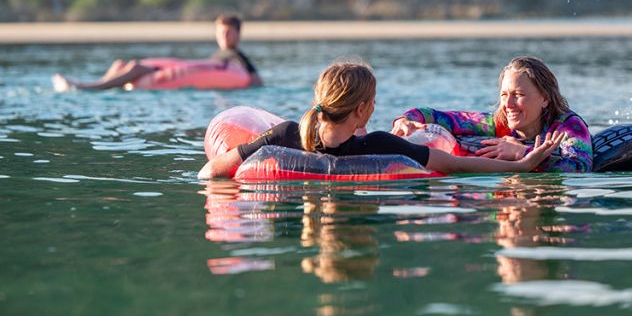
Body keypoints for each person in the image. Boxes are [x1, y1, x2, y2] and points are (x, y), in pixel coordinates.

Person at [198, 61, 565, 179]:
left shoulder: (285, 135)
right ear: (361, 110)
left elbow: (209, 173)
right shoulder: (379, 145)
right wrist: (523, 165)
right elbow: (455, 165)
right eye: (373, 101)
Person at [391, 56, 593, 173]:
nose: (508, 104)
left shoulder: (567, 126)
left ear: (545, 98)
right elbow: (436, 116)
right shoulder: (498, 123)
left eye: (519, 95)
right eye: (504, 95)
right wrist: (406, 120)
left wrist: (520, 153)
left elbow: (579, 169)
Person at [52, 14, 261, 91]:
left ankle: (87, 87)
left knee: (136, 68)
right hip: (186, 66)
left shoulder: (237, 57)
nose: (223, 37)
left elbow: (255, 80)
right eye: (220, 32)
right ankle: (94, 84)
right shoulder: (216, 56)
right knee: (121, 64)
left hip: (198, 71)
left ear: (237, 34)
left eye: (228, 33)